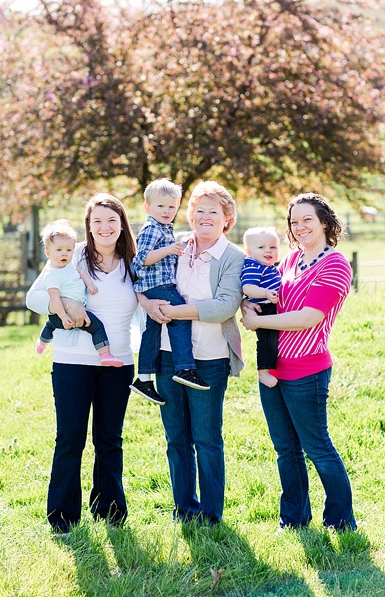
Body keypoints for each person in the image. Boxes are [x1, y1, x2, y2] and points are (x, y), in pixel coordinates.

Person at [241, 193, 356, 531]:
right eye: (294, 221)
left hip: (307, 370)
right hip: (273, 368)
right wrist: (250, 308)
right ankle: (293, 519)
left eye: (307, 219)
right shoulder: (289, 261)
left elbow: (308, 317)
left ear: (324, 222)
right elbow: (268, 301)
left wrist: (258, 322)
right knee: (285, 450)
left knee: (316, 446)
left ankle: (340, 520)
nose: (300, 226)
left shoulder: (335, 265)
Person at [26, 193, 139, 533]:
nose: (104, 227)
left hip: (117, 363)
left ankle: (110, 511)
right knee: (70, 438)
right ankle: (62, 517)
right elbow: (33, 297)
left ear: (122, 225)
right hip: (72, 362)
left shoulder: (134, 263)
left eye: (111, 221)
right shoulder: (70, 255)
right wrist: (65, 309)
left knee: (109, 438)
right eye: (97, 221)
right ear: (88, 227)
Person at [139, 180, 245, 526]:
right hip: (169, 355)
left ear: (226, 218)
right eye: (199, 210)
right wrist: (147, 303)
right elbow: (142, 278)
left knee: (207, 438)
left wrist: (172, 312)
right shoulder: (177, 244)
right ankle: (184, 510)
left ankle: (212, 515)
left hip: (210, 359)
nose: (204, 217)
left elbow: (223, 306)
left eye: (213, 212)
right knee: (176, 438)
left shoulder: (232, 257)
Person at [130, 178, 208, 407]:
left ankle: (143, 379)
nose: (167, 211)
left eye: (171, 207)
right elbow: (142, 259)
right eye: (161, 206)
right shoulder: (151, 229)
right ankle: (185, 368)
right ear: (148, 207)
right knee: (180, 318)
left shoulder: (164, 227)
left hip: (155, 286)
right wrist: (168, 250)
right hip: (157, 285)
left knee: (152, 330)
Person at [34, 219, 121, 366]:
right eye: (59, 250)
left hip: (65, 314)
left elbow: (80, 272)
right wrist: (63, 316)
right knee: (96, 326)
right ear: (48, 253)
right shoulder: (52, 275)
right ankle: (105, 354)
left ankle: (42, 344)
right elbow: (54, 300)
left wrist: (90, 285)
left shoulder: (70, 266)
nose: (64, 254)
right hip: (64, 314)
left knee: (50, 325)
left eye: (68, 250)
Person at [240, 226, 283, 388]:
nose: (268, 251)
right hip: (263, 308)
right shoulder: (253, 266)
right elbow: (247, 287)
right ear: (249, 252)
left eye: (273, 247)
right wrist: (265, 293)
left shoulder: (268, 266)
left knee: (273, 339)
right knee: (267, 340)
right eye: (261, 247)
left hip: (270, 306)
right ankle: (263, 372)